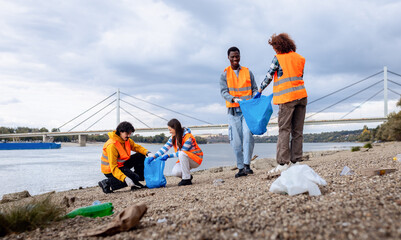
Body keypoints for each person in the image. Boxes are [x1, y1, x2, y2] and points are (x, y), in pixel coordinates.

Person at [258, 33, 307, 174]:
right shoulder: (300, 58)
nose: (274, 50)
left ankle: (282, 163)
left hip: (287, 98)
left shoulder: (278, 58)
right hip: (302, 96)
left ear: (279, 46)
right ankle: (296, 161)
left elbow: (269, 75)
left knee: (284, 130)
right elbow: (299, 76)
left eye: (274, 47)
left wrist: (260, 90)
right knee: (297, 131)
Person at [220, 46, 258, 178]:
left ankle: (247, 165)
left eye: (237, 56)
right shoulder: (224, 74)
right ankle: (241, 167)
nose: (235, 59)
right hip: (233, 111)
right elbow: (223, 92)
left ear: (240, 56)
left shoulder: (248, 72)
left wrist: (254, 96)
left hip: (247, 110)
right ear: (228, 58)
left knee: (248, 135)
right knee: (236, 141)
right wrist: (233, 98)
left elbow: (254, 88)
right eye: (232, 57)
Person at [98, 121, 155, 193]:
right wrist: (125, 178)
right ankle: (106, 182)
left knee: (140, 155)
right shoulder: (111, 145)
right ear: (120, 132)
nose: (129, 135)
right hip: (110, 170)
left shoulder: (126, 140)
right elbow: (114, 167)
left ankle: (136, 181)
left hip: (121, 165)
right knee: (132, 177)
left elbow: (136, 147)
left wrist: (148, 153)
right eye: (127, 133)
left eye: (130, 133)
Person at [147, 119, 203, 186]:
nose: (170, 132)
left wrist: (168, 156)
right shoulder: (173, 137)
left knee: (182, 153)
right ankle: (188, 176)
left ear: (175, 128)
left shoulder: (188, 137)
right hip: (184, 159)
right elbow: (165, 148)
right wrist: (154, 156)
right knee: (175, 172)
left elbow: (182, 152)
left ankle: (186, 180)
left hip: (196, 160)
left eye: (170, 130)